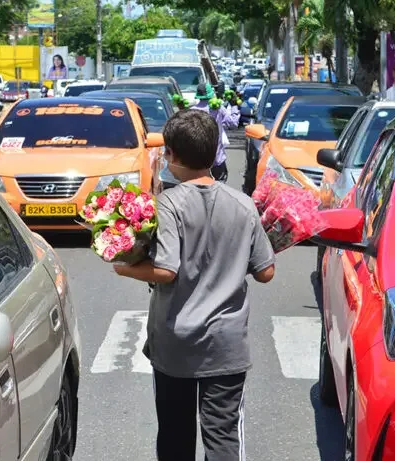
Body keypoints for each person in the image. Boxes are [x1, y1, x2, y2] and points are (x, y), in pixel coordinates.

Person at [114, 109, 276, 461]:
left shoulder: (168, 205)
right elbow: (266, 272)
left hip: (175, 343)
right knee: (222, 437)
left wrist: (123, 268)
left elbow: (166, 270)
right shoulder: (244, 205)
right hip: (226, 345)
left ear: (170, 155)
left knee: (174, 434)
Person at [190, 82, 240, 182]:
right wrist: (234, 105)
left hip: (197, 162)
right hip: (216, 159)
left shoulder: (191, 111)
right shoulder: (217, 109)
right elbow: (233, 123)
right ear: (211, 94)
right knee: (219, 188)